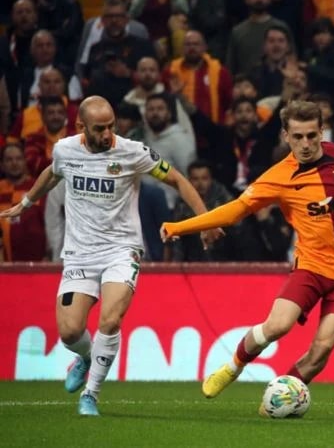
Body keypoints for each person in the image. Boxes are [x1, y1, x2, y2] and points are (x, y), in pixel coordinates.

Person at [160, 100, 334, 407]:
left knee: (322, 348)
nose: (306, 144)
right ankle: (233, 367)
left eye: (311, 135)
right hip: (311, 266)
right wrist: (180, 227)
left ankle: (278, 400)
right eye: (298, 137)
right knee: (277, 326)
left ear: (321, 131)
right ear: (286, 136)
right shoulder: (277, 177)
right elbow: (236, 210)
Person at [0, 96, 222, 417]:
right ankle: (86, 357)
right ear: (81, 127)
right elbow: (53, 172)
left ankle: (90, 394)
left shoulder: (133, 152)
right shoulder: (65, 150)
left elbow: (176, 178)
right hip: (80, 254)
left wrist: (204, 221)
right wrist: (26, 202)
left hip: (121, 249)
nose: (107, 135)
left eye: (111, 127)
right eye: (99, 129)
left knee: (110, 319)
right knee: (70, 332)